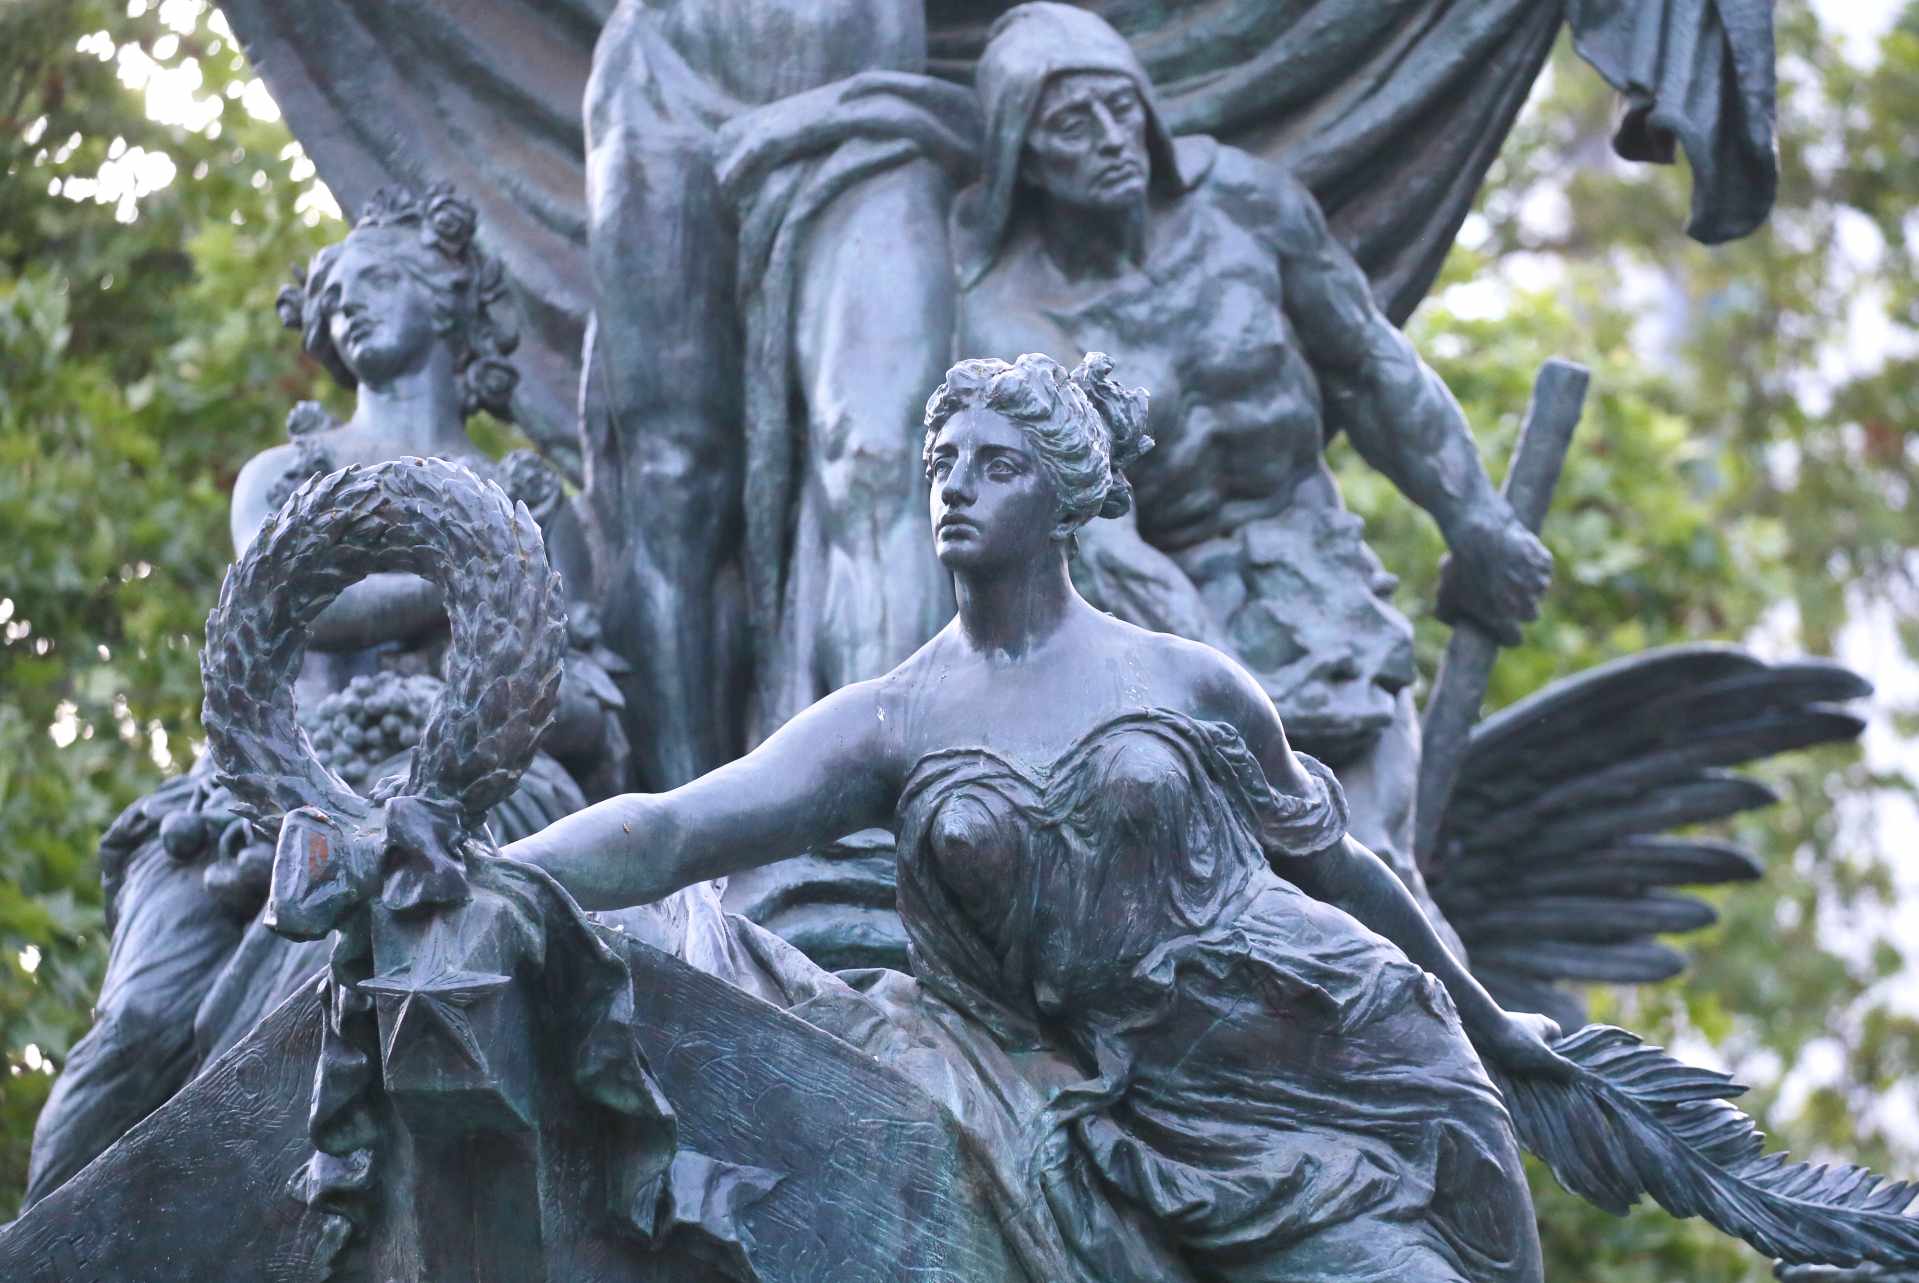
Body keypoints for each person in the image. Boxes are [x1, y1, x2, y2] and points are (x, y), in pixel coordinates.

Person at [508, 353, 1562, 1282]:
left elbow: (1340, 869)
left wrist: (1491, 1022)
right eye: (942, 463)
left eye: (995, 465)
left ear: (1064, 497)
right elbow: (670, 830)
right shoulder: (890, 720)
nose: (956, 486)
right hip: (1063, 1087)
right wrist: (494, 868)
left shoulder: (1187, 680)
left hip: (1299, 1066)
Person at [952, 4, 1553, 898]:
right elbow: (1097, 540)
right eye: (1072, 124)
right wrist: (1230, 691)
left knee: (1379, 869)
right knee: (1248, 898)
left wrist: (1475, 522)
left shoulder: (1244, 202)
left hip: (1317, 574)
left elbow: (1370, 366)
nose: (1111, 139)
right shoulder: (1010, 316)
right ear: (1022, 157)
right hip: (1168, 622)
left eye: (1121, 107)